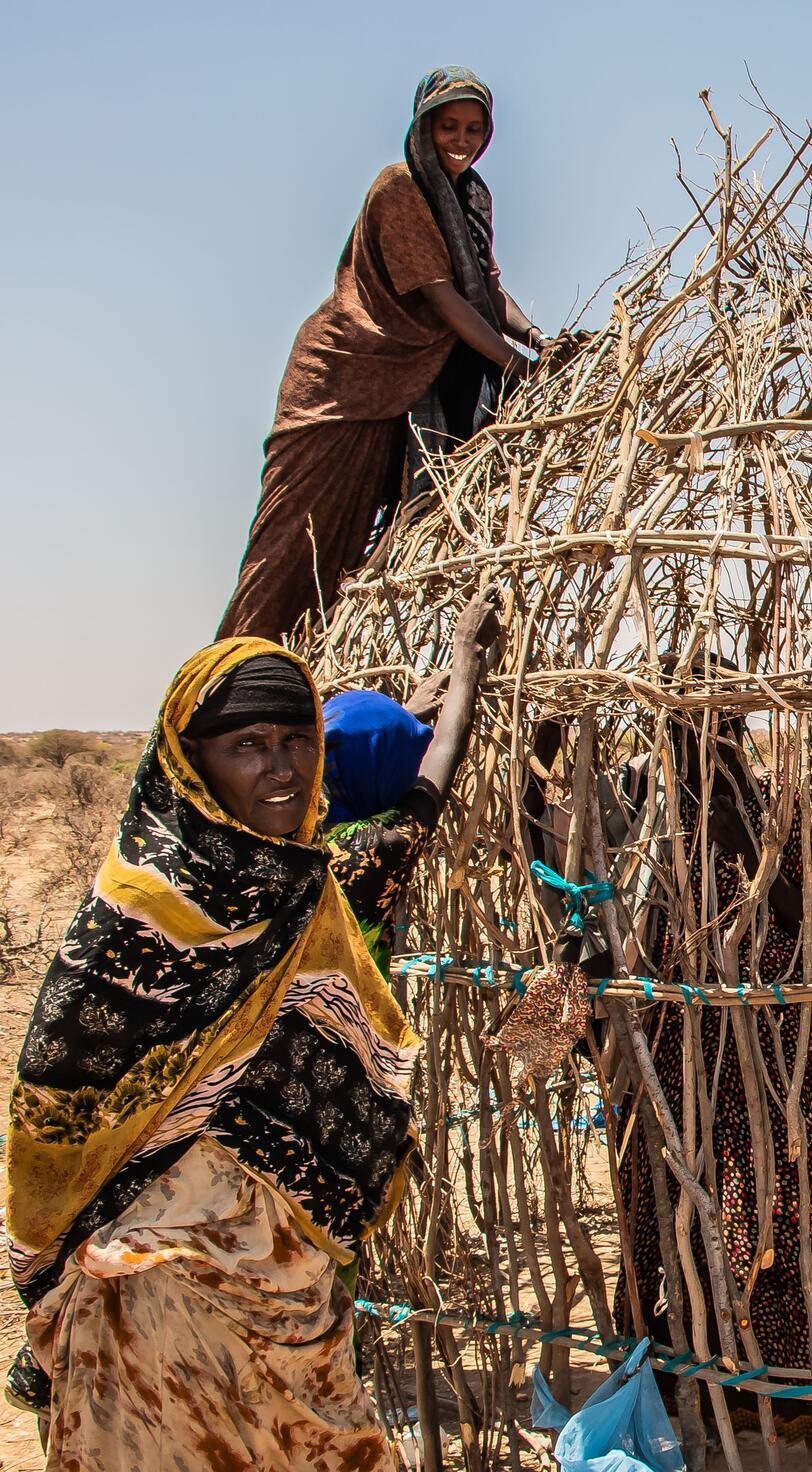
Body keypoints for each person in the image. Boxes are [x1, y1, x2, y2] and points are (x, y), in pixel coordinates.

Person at [6, 638, 425, 1471]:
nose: (282, 769)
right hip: (150, 1278)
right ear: (191, 763)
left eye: (297, 740)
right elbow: (52, 1096)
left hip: (287, 1270)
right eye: (247, 746)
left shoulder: (304, 888)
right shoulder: (143, 910)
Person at [218, 67, 559, 643]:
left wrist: (541, 340)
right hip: (345, 376)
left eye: (474, 129)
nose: (461, 140)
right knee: (290, 544)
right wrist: (514, 366)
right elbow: (444, 297)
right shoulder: (399, 187)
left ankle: (310, 678)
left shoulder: (473, 198)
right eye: (448, 125)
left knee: (351, 549)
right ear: (423, 127)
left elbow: (487, 288)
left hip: (410, 380)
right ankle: (233, 685)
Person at [612, 698, 812, 1443]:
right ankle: (671, 1359)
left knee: (761, 1213)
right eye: (678, 728)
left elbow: (806, 924)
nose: (697, 745)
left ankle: (772, 1377)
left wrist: (753, 856)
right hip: (669, 1048)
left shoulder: (781, 807)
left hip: (766, 1052)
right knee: (668, 1205)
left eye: (713, 728)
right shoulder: (643, 810)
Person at [323, 589, 500, 977]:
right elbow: (446, 746)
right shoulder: (369, 852)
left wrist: (403, 716)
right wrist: (466, 650)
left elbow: (359, 748)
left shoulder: (272, 829)